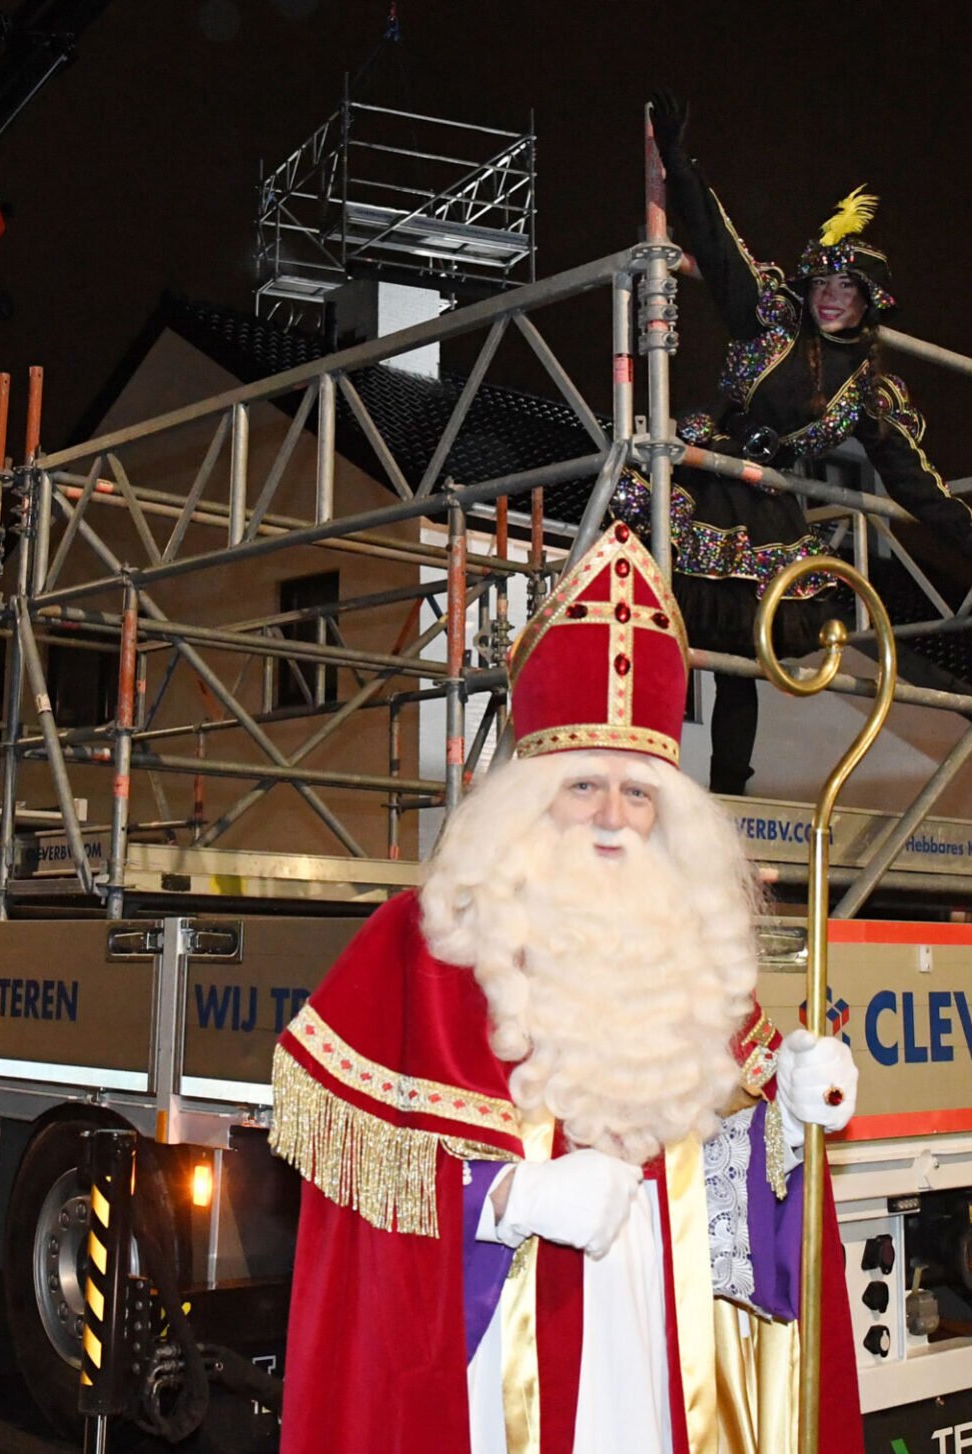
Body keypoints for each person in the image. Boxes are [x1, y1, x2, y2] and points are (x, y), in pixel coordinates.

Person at [270, 522, 864, 1454]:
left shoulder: (693, 953)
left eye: (639, 795)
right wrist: (510, 1201)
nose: (614, 818)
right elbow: (357, 1212)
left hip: (662, 1347)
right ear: (527, 791)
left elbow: (724, 1208)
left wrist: (785, 1117)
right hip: (498, 1359)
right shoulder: (420, 946)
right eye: (585, 785)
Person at [610, 92, 972, 795]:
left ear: (867, 304)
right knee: (659, 634)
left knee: (743, 653)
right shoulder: (767, 319)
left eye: (848, 289)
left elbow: (908, 475)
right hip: (699, 481)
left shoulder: (867, 391)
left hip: (767, 505)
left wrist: (970, 539)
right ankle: (637, 780)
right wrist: (679, 165)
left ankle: (725, 800)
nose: (831, 296)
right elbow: (715, 242)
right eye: (824, 283)